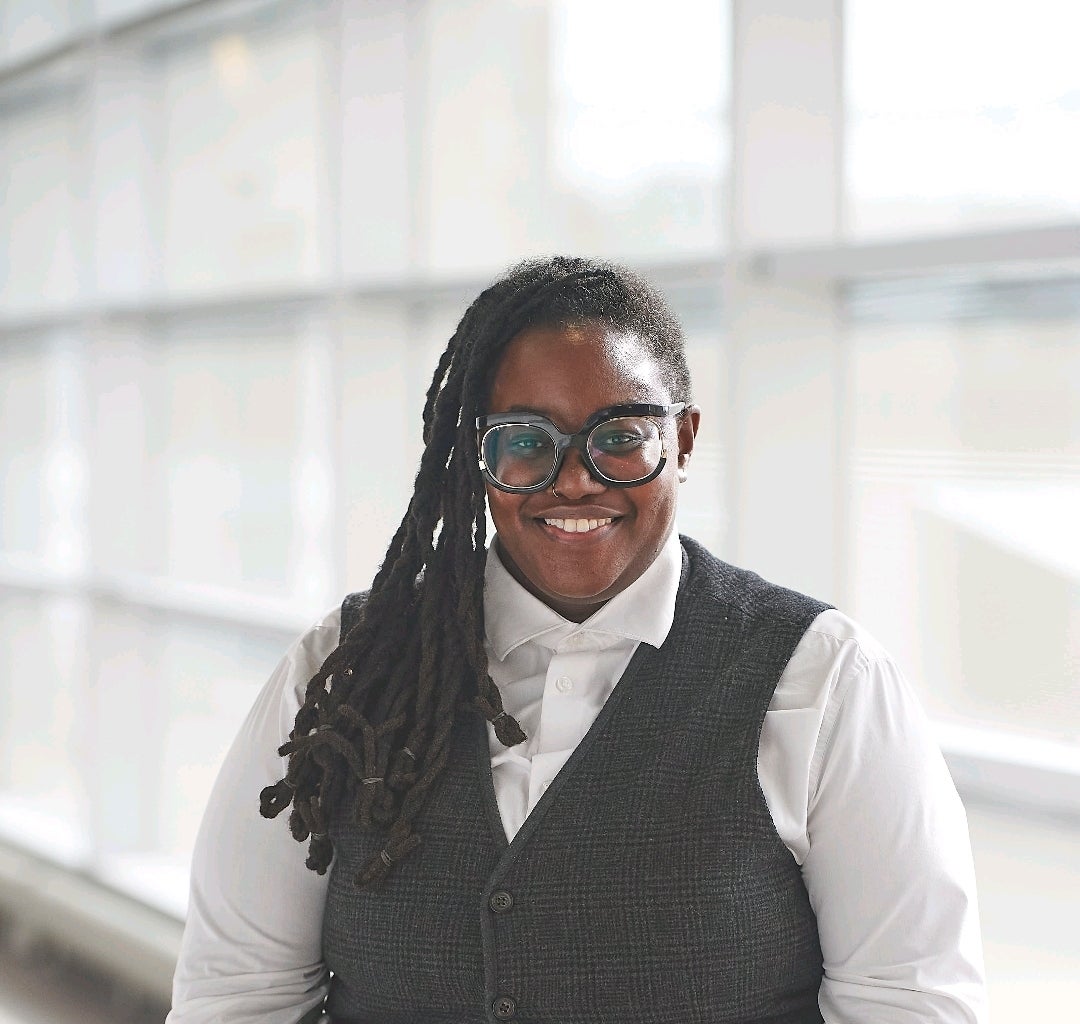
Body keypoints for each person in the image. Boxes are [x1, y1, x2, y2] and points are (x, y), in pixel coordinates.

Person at [168, 256, 987, 1023]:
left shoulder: (822, 679)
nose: (575, 479)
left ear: (685, 439)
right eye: (525, 441)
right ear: (475, 455)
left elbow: (908, 1002)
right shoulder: (346, 671)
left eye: (620, 435)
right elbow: (238, 993)